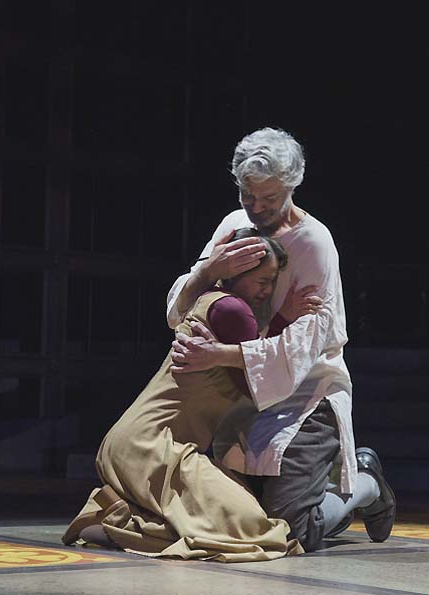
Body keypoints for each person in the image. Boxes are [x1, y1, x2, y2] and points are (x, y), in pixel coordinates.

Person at [167, 128, 396, 552]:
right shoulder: (235, 225)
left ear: (291, 186)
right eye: (247, 196)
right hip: (240, 392)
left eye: (268, 200)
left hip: (305, 393)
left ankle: (366, 483)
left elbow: (308, 342)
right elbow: (181, 306)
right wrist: (205, 272)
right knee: (239, 520)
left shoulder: (314, 243)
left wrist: (218, 353)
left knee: (291, 530)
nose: (256, 209)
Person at [62, 229, 323, 562]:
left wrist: (278, 318)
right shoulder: (232, 310)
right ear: (236, 273)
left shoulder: (213, 300)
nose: (268, 291)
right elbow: (256, 383)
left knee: (228, 516)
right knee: (256, 528)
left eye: (273, 281)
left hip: (140, 442)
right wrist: (285, 319)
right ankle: (114, 526)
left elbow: (250, 357)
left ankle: (115, 519)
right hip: (154, 446)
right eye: (262, 281)